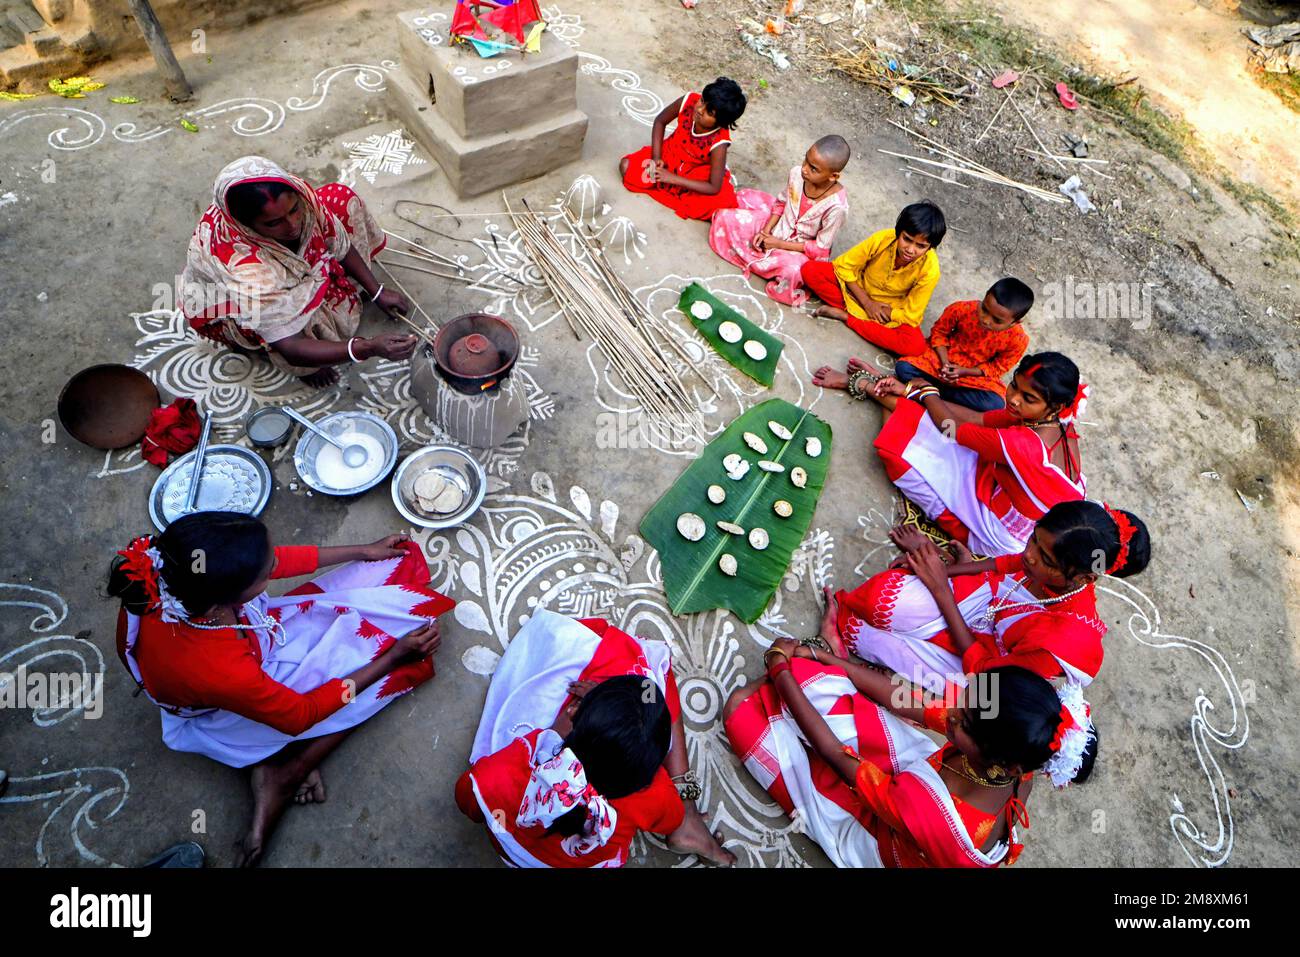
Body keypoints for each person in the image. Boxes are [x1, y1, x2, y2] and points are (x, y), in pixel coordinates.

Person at [108, 511, 454, 866]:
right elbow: (301, 715)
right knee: (387, 657)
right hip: (225, 715)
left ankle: (280, 765)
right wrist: (393, 658)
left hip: (246, 663)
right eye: (263, 574)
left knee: (384, 579)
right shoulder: (222, 666)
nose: (274, 565)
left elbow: (272, 561)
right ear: (222, 604)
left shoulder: (169, 573)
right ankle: (287, 771)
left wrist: (364, 551)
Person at [725, 617, 1097, 866]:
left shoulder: (932, 810)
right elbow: (908, 701)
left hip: (880, 834)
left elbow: (835, 755)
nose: (951, 714)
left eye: (962, 722)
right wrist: (823, 657)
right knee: (810, 675)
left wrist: (779, 668)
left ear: (1001, 762)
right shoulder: (1017, 760)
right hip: (910, 786)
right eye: (966, 701)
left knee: (739, 709)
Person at [456, 609, 735, 867]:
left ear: (575, 713)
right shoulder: (652, 794)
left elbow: (468, 798)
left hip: (516, 855)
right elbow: (647, 697)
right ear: (651, 773)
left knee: (611, 654)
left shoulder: (504, 773)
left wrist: (554, 732)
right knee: (651, 682)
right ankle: (687, 814)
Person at [831, 501, 1151, 695]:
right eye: (1033, 540)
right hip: (987, 599)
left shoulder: (1063, 641)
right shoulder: (1047, 554)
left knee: (979, 703)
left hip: (986, 671)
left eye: (1047, 561)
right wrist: (953, 569)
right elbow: (1007, 563)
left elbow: (983, 672)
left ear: (1084, 578)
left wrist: (940, 586)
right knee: (879, 598)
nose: (1030, 556)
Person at [181, 156, 419, 388]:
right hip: (238, 306)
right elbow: (290, 346)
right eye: (274, 223)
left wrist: (376, 291)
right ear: (247, 225)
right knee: (289, 316)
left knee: (340, 199)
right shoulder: (247, 271)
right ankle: (309, 366)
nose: (294, 225)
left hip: (280, 276)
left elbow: (337, 240)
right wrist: (366, 347)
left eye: (294, 210)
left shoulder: (299, 195)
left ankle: (325, 292)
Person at [838, 351, 1089, 556]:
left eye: (1028, 398)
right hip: (1002, 492)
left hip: (999, 531)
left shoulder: (1023, 444)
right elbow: (977, 418)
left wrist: (925, 392)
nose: (1013, 399)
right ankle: (875, 387)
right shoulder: (1055, 422)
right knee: (921, 423)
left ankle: (864, 385)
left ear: (1054, 406)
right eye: (1013, 385)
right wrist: (910, 391)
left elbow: (952, 429)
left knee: (903, 451)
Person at [818, 278, 1031, 411]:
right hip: (939, 362)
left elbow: (997, 369)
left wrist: (964, 372)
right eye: (984, 309)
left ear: (1015, 322)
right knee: (904, 367)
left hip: (970, 377)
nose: (985, 320)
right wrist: (945, 361)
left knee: (995, 404)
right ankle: (932, 398)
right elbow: (939, 333)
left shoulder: (1018, 340)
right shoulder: (963, 309)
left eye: (997, 321)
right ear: (984, 298)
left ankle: (921, 392)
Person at [708, 135, 851, 306]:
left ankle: (764, 261)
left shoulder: (837, 208)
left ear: (833, 176)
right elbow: (781, 203)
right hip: (779, 227)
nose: (804, 169)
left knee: (795, 272)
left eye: (813, 169)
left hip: (798, 251)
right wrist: (766, 231)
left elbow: (820, 249)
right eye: (806, 159)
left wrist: (778, 244)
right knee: (727, 218)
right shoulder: (797, 174)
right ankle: (764, 259)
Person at [800, 201, 944, 354]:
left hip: (887, 310)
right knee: (811, 270)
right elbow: (845, 266)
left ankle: (846, 317)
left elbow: (911, 315)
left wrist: (884, 311)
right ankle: (863, 320)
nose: (910, 249)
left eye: (920, 246)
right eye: (907, 239)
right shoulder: (883, 238)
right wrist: (867, 303)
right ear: (898, 232)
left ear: (930, 247)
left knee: (915, 346)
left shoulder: (930, 270)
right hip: (857, 291)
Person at [619, 77, 746, 221]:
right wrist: (656, 157)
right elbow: (660, 121)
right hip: (668, 155)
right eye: (703, 101)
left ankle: (670, 189)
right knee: (626, 166)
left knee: (722, 204)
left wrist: (673, 179)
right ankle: (672, 191)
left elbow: (714, 187)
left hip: (695, 175)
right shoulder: (689, 101)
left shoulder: (719, 143)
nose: (700, 109)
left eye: (710, 113)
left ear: (721, 122)